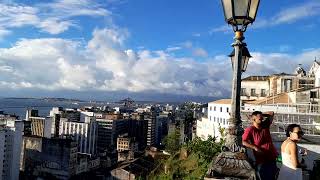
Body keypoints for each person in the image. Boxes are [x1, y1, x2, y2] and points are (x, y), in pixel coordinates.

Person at [242, 111, 278, 180]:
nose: (262, 120)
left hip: (272, 158)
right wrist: (254, 147)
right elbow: (243, 141)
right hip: (262, 161)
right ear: (254, 119)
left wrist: (260, 114)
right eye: (260, 119)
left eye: (262, 118)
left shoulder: (265, 125)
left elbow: (272, 113)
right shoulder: (250, 130)